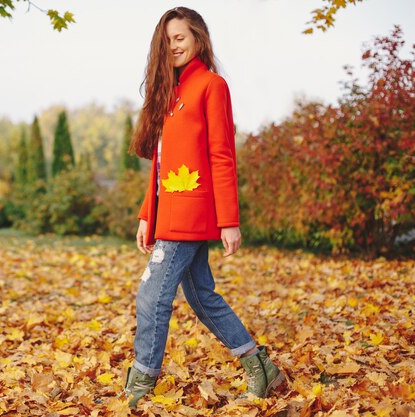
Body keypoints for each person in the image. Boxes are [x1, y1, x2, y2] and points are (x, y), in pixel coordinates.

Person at [118, 7, 287, 408]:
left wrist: (229, 221)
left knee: (151, 295)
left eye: (180, 37)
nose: (173, 45)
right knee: (201, 296)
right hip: (168, 211)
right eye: (167, 39)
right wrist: (147, 213)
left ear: (197, 38)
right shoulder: (168, 91)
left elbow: (222, 156)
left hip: (192, 215)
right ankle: (262, 369)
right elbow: (160, 164)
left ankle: (139, 389)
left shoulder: (212, 85)